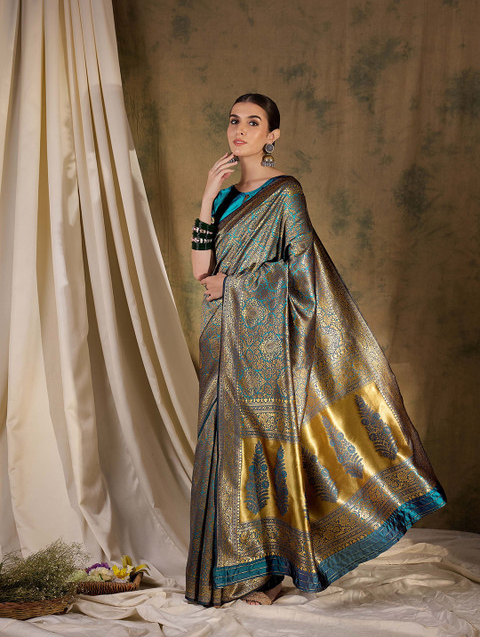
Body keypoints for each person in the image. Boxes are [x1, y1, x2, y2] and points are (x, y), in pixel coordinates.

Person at [186, 93, 446, 607]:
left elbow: (303, 271)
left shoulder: (285, 191)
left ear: (272, 136)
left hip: (266, 345)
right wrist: (206, 198)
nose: (240, 130)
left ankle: (269, 575)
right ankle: (227, 571)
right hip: (223, 339)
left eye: (253, 123)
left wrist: (235, 285)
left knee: (265, 449)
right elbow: (201, 273)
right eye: (234, 121)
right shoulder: (223, 199)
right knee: (222, 451)